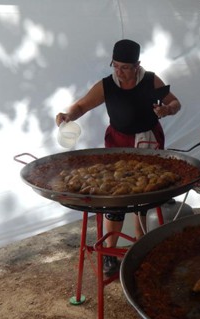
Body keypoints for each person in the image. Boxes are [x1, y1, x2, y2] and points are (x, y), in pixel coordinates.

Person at [55, 39, 181, 275]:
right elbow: (81, 106)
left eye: (125, 67)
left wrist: (167, 109)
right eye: (116, 66)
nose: (119, 72)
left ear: (137, 65)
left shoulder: (151, 80)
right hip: (118, 142)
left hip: (147, 140)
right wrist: (67, 115)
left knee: (144, 193)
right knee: (115, 195)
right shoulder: (107, 85)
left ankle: (139, 247)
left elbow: (175, 102)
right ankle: (110, 253)